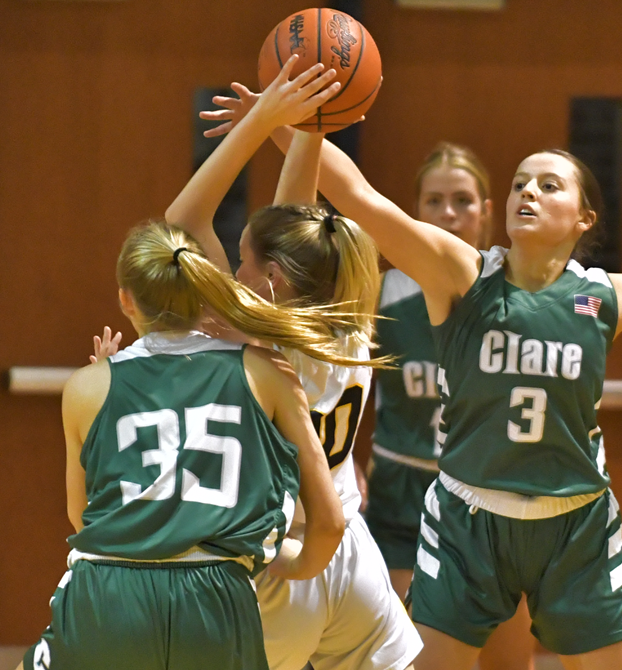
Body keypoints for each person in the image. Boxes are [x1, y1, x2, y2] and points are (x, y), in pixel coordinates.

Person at [201, 88, 622, 670]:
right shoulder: (461, 273)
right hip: (468, 519)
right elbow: (358, 197)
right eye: (518, 184)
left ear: (584, 217)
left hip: (575, 523)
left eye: (547, 184)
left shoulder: (608, 295)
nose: (526, 192)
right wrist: (279, 122)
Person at [101, 56, 422, 670]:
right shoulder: (347, 312)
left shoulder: (252, 333)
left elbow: (179, 227)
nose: (233, 272)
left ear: (271, 281)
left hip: (279, 561)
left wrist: (261, 124)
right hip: (352, 554)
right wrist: (308, 128)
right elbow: (295, 224)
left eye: (243, 261)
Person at [20, 220, 351, 670]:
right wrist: (297, 567)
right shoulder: (268, 372)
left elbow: (83, 516)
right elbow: (330, 522)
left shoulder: (87, 387)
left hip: (109, 593)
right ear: (202, 291)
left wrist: (100, 379)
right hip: (216, 595)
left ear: (125, 298)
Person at [363, 142, 535, 670]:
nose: (448, 213)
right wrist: (341, 464)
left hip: (493, 499)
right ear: (416, 211)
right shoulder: (381, 290)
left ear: (487, 210)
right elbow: (335, 381)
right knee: (412, 659)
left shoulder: (522, 290)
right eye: (434, 201)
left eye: (462, 200)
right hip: (403, 496)